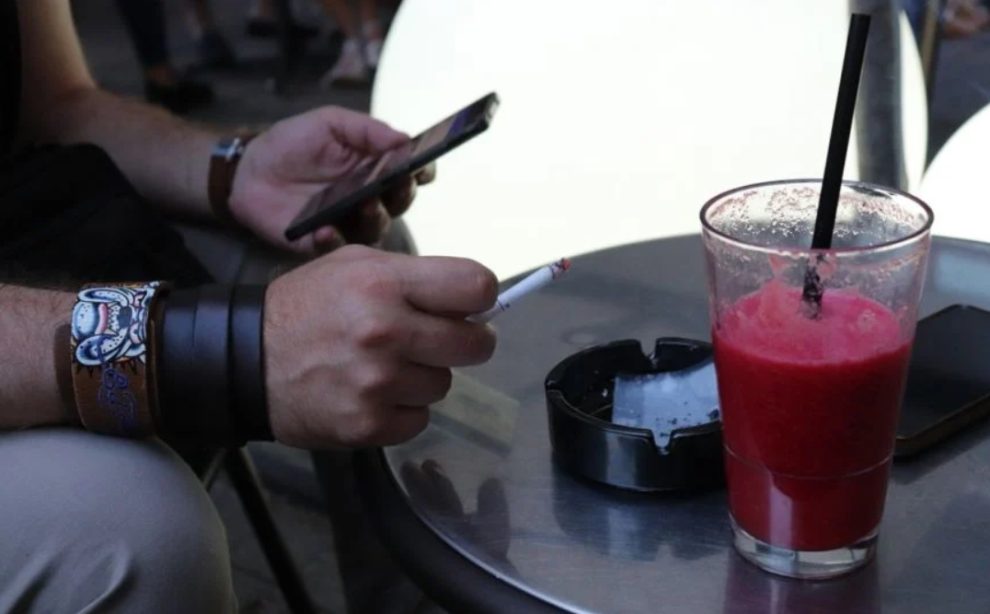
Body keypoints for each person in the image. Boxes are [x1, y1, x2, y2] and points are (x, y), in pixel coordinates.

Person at [0, 1, 498, 612]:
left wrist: (234, 169)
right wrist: (217, 352)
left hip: (38, 229)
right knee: (132, 531)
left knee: (365, 264)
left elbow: (58, 105)